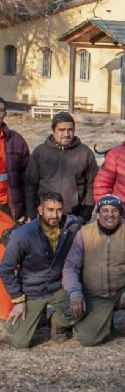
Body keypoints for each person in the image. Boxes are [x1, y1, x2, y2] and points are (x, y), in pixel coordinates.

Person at [61, 194, 125, 346]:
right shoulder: (84, 234)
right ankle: (102, 320)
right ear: (97, 214)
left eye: (114, 210)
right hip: (96, 295)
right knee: (88, 340)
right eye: (105, 210)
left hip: (123, 291)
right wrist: (75, 293)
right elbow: (70, 266)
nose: (110, 215)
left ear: (120, 213)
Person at [0, 192, 80, 348]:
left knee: (83, 308)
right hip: (32, 291)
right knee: (21, 342)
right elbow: (6, 269)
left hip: (58, 287)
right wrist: (18, 300)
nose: (55, 215)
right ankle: (29, 321)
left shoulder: (72, 227)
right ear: (40, 210)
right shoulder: (22, 234)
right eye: (50, 210)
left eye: (59, 210)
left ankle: (56, 323)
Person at [25, 112, 98, 224]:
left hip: (73, 215)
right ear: (53, 130)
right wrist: (31, 213)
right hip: (45, 215)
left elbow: (91, 184)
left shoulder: (85, 153)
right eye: (62, 130)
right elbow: (30, 185)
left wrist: (85, 215)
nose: (66, 134)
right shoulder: (40, 153)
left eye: (70, 129)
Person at [0, 96, 29, 321]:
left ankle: (6, 311)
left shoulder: (16, 141)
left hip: (6, 210)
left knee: (6, 260)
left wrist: (26, 210)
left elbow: (27, 178)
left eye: (1, 110)